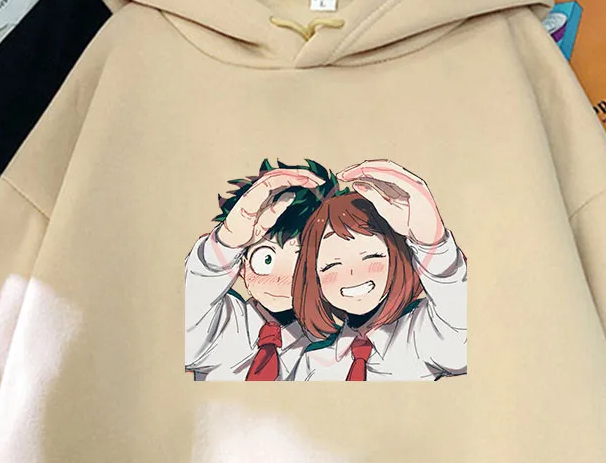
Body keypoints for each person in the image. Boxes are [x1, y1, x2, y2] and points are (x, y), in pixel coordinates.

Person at [292, 159, 467, 381]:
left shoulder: (425, 331)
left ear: (398, 258)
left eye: (372, 257)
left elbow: (460, 327)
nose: (352, 275)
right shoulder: (314, 362)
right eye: (331, 266)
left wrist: (431, 242)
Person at [184, 159, 331, 380]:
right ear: (242, 264)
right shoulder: (219, 322)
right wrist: (227, 242)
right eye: (266, 259)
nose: (281, 278)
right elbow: (192, 301)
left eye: (301, 263)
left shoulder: (331, 349)